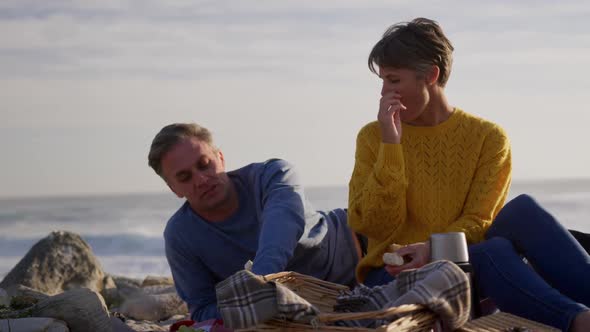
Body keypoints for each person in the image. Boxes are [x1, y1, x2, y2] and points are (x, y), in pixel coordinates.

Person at [347, 17, 590, 331]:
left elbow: (480, 220)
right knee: (494, 251)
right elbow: (371, 223)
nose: (383, 93)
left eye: (393, 81)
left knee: (522, 212)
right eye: (382, 81)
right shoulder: (373, 137)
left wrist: (433, 248)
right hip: (394, 276)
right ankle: (579, 321)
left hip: (465, 267)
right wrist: (391, 145)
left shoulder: (489, 138)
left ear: (431, 75)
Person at [148, 123, 360, 322]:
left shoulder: (273, 175)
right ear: (174, 189)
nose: (201, 180)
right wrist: (256, 307)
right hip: (309, 312)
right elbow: (203, 310)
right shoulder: (181, 235)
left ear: (220, 158)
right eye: (185, 177)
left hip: (361, 258)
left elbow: (280, 232)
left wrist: (256, 288)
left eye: (205, 164)